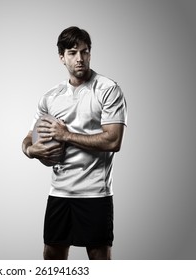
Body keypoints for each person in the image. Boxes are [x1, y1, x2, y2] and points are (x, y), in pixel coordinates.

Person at [22, 26, 127, 260]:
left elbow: (113, 140)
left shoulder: (108, 89)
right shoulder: (51, 96)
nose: (79, 58)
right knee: (52, 255)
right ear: (61, 57)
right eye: (72, 52)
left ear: (90, 53)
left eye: (85, 51)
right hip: (59, 191)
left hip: (95, 193)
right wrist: (31, 150)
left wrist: (66, 135)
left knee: (99, 258)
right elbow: (29, 136)